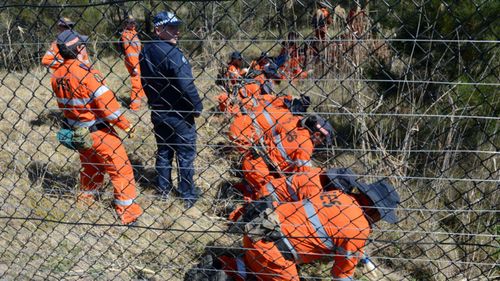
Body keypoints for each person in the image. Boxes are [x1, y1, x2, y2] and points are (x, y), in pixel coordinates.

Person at [51, 30, 142, 225]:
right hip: (99, 131)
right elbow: (110, 110)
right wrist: (127, 126)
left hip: (79, 133)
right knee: (121, 170)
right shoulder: (87, 73)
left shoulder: (57, 75)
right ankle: (128, 213)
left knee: (91, 167)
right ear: (79, 49)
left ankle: (86, 201)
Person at [140, 11, 203, 208]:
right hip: (179, 113)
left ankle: (164, 191)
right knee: (184, 154)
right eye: (171, 27)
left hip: (158, 112)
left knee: (164, 151)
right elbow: (186, 84)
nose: (177, 31)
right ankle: (188, 195)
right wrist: (197, 106)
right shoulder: (172, 53)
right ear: (158, 29)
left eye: (177, 26)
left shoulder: (145, 50)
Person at [120, 16, 146, 111]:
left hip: (138, 61)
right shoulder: (126, 35)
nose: (133, 24)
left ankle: (141, 101)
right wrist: (134, 66)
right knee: (136, 82)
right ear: (126, 24)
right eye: (130, 22)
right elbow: (129, 52)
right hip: (133, 62)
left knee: (141, 81)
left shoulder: (134, 33)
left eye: (134, 22)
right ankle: (134, 107)